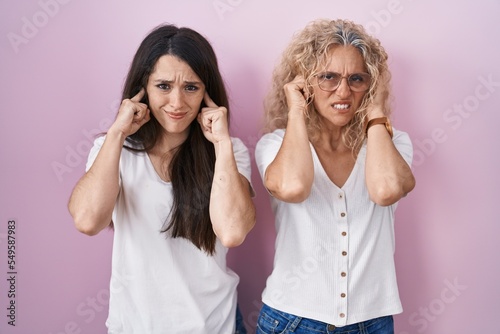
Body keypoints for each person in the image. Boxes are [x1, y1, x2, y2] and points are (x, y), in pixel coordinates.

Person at [68, 24, 255, 333]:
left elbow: (233, 232)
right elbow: (88, 221)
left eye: (191, 87)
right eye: (164, 86)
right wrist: (117, 131)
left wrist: (221, 144)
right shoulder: (112, 149)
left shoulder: (229, 151)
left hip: (215, 325)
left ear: (208, 94)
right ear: (142, 89)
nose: (177, 103)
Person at [255, 19, 416, 334]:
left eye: (357, 78)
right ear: (303, 82)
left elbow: (385, 190)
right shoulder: (275, 145)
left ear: (370, 85)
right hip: (291, 321)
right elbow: (293, 187)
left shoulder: (393, 143)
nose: (344, 91)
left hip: (372, 322)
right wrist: (297, 110)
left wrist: (376, 112)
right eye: (327, 77)